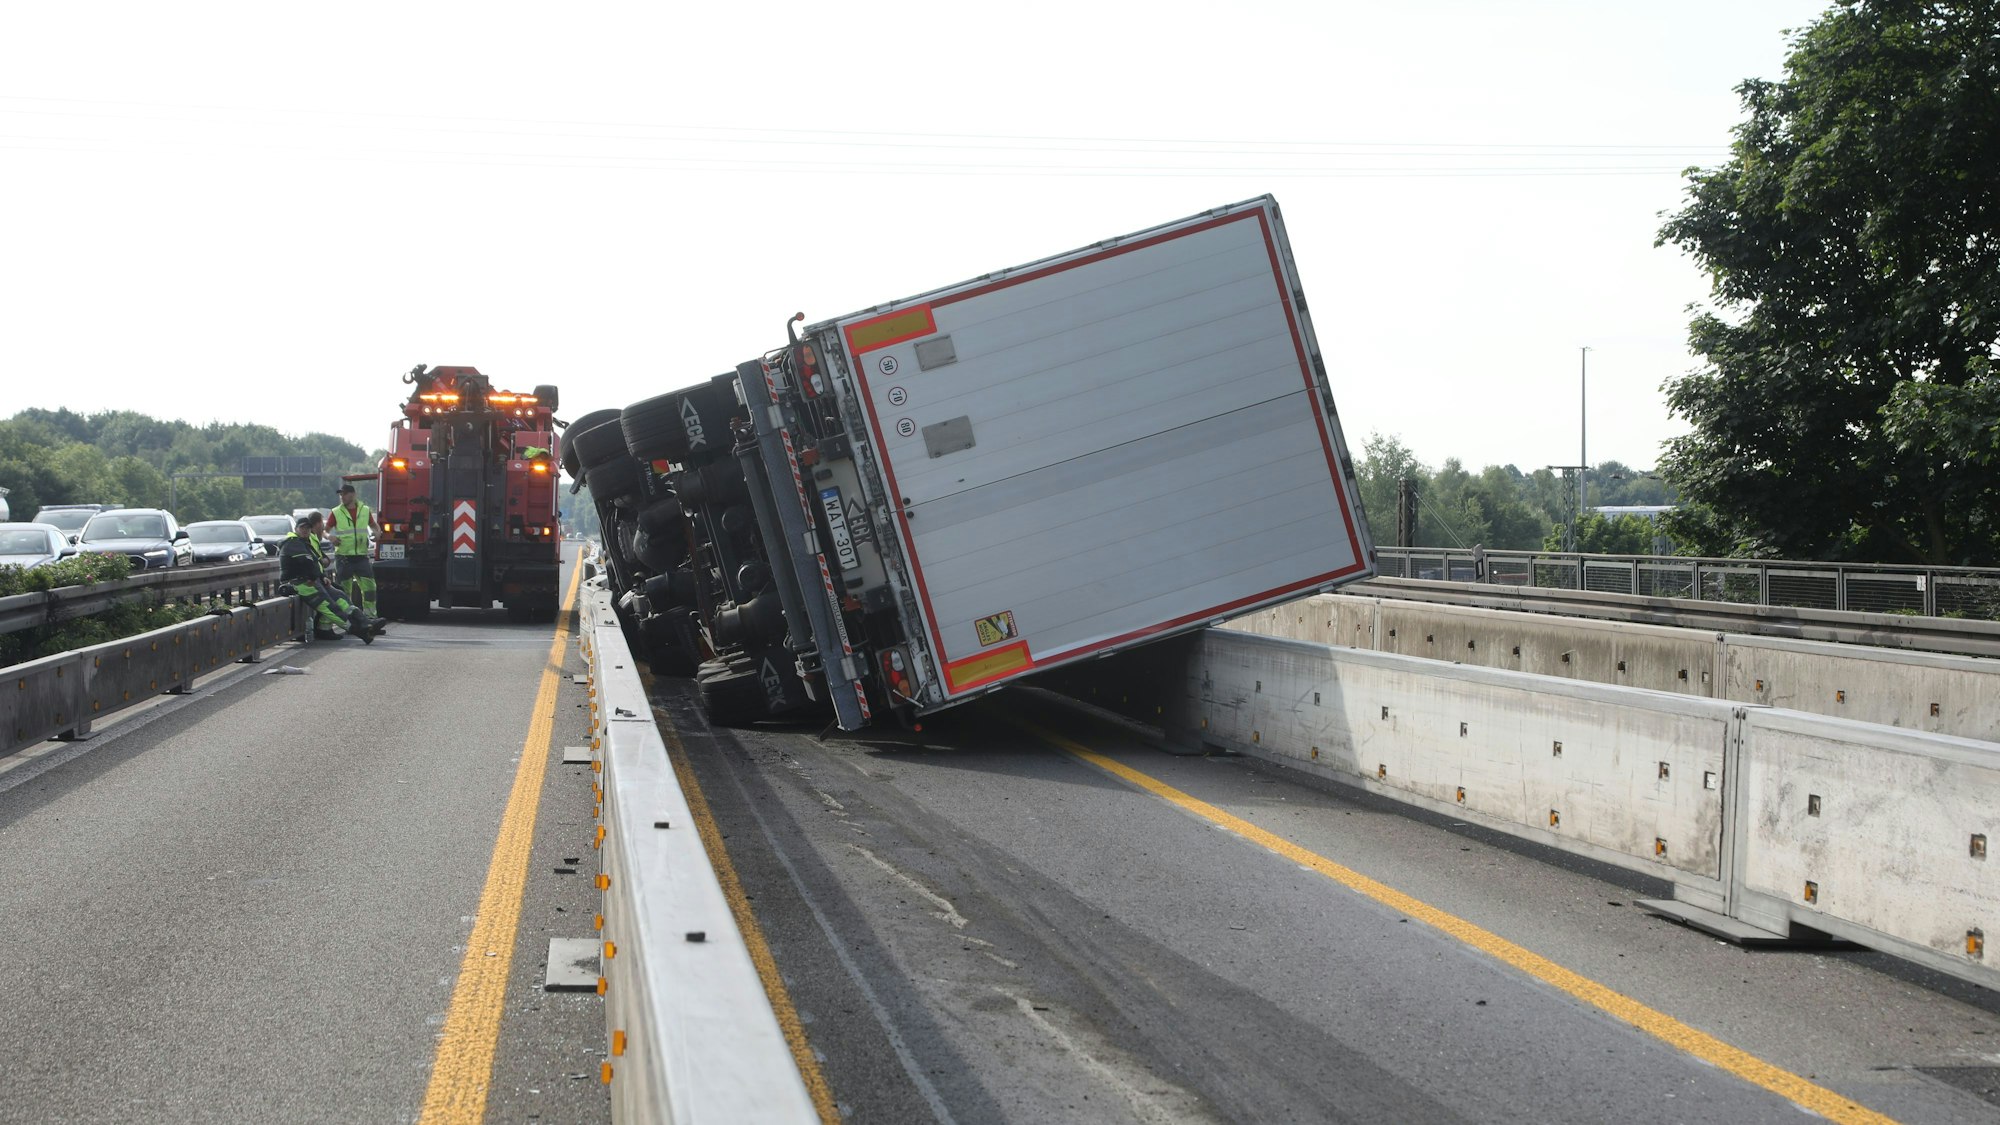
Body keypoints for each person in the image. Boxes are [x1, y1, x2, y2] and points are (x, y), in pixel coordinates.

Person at [279, 512, 380, 643]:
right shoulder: (292, 543)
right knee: (330, 607)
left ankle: (366, 622)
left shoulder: (304, 543)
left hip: (311, 580)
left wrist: (321, 577)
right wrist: (317, 576)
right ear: (296, 529)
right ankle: (360, 631)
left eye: (308, 528)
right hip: (299, 583)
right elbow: (307, 562)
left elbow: (316, 562)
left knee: (340, 596)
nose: (305, 530)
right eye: (302, 528)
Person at [328, 482, 381, 619]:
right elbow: (325, 530)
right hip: (344, 557)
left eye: (344, 494)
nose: (342, 497)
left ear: (353, 494)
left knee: (370, 588)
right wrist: (330, 537)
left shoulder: (364, 510)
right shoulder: (336, 512)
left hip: (361, 557)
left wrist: (378, 533)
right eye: (340, 495)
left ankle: (370, 618)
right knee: (344, 591)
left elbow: (374, 526)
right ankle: (347, 619)